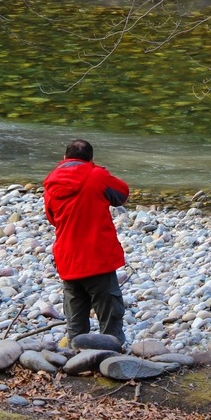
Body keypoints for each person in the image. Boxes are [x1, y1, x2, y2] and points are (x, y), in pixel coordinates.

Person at [43, 138, 129, 346]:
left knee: (75, 314)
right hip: (97, 255)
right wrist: (98, 170)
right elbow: (122, 194)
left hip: (68, 256)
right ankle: (111, 355)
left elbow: (52, 218)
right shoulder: (97, 175)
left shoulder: (51, 180)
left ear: (64, 158)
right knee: (109, 313)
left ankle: (76, 355)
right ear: (91, 159)